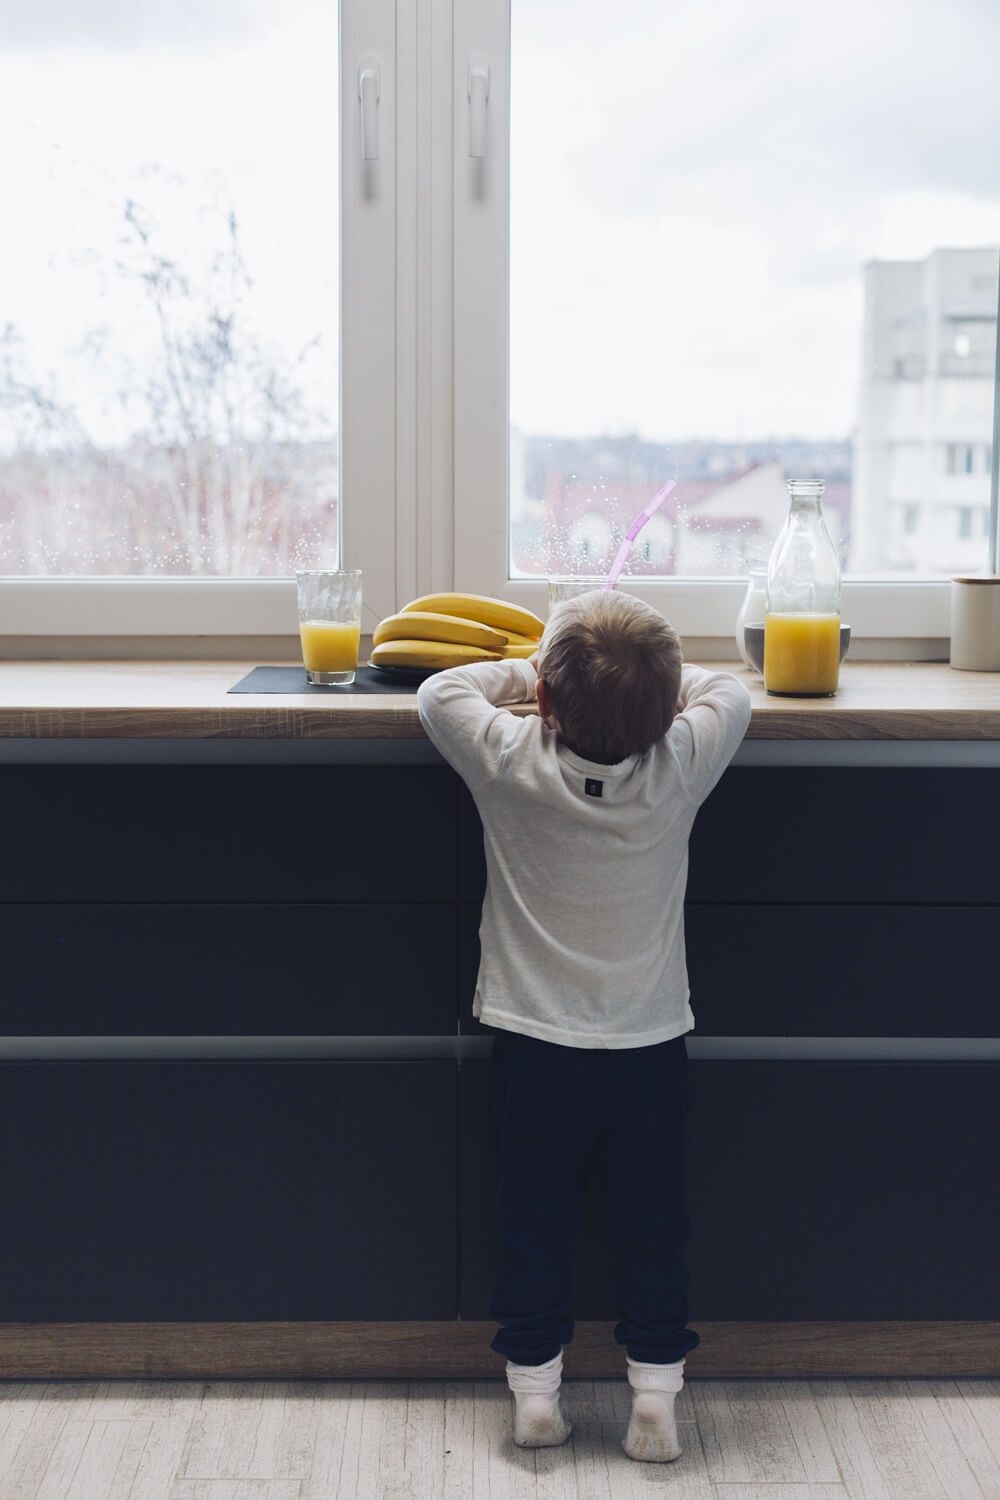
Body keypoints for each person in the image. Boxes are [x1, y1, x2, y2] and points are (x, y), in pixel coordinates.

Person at [416, 589, 752, 1463]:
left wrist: (528, 671)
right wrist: (656, 689)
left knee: (532, 1221)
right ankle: (654, 1403)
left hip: (535, 1047)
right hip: (646, 1047)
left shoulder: (507, 753)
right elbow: (730, 694)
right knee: (653, 1225)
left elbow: (438, 693)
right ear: (666, 706)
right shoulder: (681, 761)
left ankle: (535, 1400)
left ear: (547, 702)